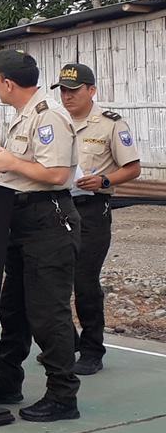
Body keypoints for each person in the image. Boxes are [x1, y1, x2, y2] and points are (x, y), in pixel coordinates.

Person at [0, 49, 82, 422]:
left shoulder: (48, 115)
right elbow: (24, 169)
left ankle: (63, 396)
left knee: (48, 312)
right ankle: (6, 381)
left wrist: (12, 162)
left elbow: (57, 175)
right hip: (20, 219)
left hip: (47, 220)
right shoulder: (23, 116)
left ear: (6, 82)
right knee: (14, 309)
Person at [52, 63, 141, 375]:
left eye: (74, 90)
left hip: (92, 210)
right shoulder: (55, 121)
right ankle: (67, 344)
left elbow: (133, 168)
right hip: (58, 207)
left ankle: (92, 350)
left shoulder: (110, 124)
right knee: (54, 279)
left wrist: (104, 180)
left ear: (91, 90)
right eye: (63, 90)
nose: (67, 96)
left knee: (84, 281)